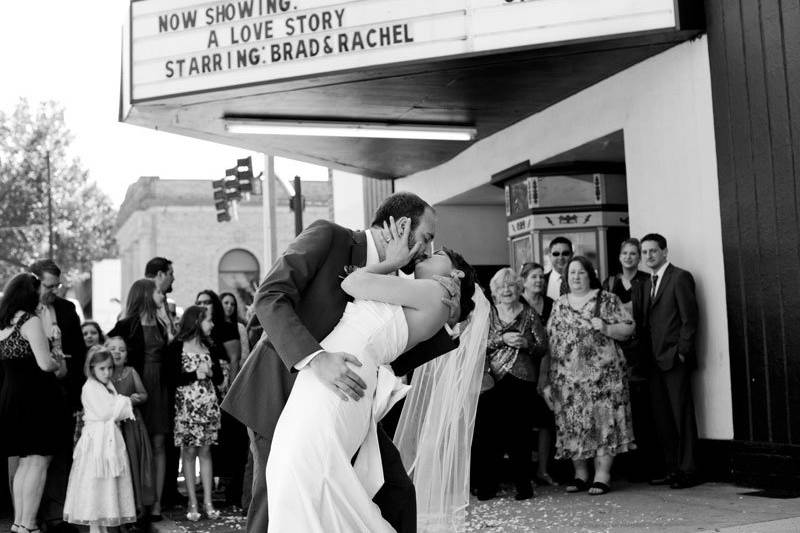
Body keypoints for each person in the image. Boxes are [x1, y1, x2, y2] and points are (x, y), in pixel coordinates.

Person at [222, 192, 461, 533]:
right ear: (403, 225)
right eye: (426, 238)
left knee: (396, 491)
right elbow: (270, 296)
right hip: (281, 390)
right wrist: (316, 359)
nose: (427, 249)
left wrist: (450, 319)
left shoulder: (401, 277)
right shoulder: (329, 236)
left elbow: (391, 344)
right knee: (276, 501)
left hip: (347, 401)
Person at [544, 256, 635, 495]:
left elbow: (629, 327)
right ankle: (580, 474)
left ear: (589, 274)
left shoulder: (606, 299)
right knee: (574, 424)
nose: (575, 277)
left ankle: (602, 475)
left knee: (604, 422)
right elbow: (551, 343)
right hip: (568, 380)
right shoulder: (559, 304)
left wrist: (606, 328)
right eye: (571, 273)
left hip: (604, 377)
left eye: (580, 272)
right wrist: (548, 381)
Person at [472, 268, 546, 501]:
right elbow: (477, 344)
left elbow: (542, 346)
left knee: (520, 435)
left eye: (511, 285)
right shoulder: (488, 314)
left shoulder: (530, 314)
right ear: (494, 291)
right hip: (491, 381)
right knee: (489, 435)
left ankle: (523, 485)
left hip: (522, 381)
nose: (506, 290)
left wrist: (526, 343)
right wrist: (501, 339)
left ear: (519, 288)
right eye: (502, 286)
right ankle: (487, 485)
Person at [0, 273, 65, 533]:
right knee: (37, 462)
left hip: (11, 396)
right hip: (35, 398)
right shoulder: (30, 321)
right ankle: (28, 524)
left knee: (25, 462)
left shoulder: (4, 323)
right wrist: (57, 357)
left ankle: (19, 523)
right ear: (30, 293)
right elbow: (45, 364)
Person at [29, 259, 87, 533]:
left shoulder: (67, 308)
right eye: (48, 286)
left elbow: (79, 351)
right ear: (35, 282)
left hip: (62, 390)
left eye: (57, 285)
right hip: (30, 391)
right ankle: (31, 514)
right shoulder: (19, 311)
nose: (53, 291)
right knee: (33, 456)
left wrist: (77, 394)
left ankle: (57, 514)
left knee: (62, 452)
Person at [640, 233, 700, 489]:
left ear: (665, 252)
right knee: (663, 418)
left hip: (674, 359)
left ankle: (689, 470)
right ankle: (672, 468)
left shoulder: (680, 277)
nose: (648, 256)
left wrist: (682, 352)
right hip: (653, 362)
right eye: (644, 252)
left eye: (653, 251)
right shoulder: (645, 283)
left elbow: (690, 318)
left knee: (681, 416)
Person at [108, 279, 170, 520]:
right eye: (157, 291)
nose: (162, 294)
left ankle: (156, 503)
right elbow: (110, 351)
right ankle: (134, 502)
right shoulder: (125, 325)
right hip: (136, 384)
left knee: (159, 443)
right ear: (145, 294)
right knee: (135, 445)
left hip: (160, 387)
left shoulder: (163, 325)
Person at [603, 239, 662, 482]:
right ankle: (622, 468)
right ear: (619, 256)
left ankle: (646, 466)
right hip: (615, 352)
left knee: (641, 409)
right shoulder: (610, 283)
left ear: (639, 258)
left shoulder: (646, 281)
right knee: (618, 409)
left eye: (634, 253)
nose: (629, 257)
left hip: (640, 353)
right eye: (625, 253)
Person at [63, 348, 136, 533]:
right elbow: (108, 412)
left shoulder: (107, 385)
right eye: (102, 368)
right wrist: (125, 401)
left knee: (107, 488)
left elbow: (114, 410)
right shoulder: (90, 387)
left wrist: (119, 403)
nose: (107, 372)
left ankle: (103, 527)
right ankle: (96, 529)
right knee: (96, 487)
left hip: (108, 441)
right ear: (92, 367)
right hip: (96, 444)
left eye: (110, 368)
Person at [166, 305, 223, 521]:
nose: (212, 324)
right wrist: (192, 374)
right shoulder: (176, 347)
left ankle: (208, 500)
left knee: (206, 451)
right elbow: (170, 378)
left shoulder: (211, 347)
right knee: (188, 453)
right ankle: (192, 501)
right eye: (208, 320)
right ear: (197, 322)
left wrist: (210, 372)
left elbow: (218, 378)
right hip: (186, 409)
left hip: (208, 407)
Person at [196, 290, 246, 508]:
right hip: (208, 389)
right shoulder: (202, 327)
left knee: (232, 440)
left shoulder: (225, 327)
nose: (204, 305)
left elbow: (235, 360)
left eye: (207, 302)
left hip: (227, 388)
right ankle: (213, 489)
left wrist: (231, 393)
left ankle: (232, 492)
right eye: (199, 302)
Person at [107, 336, 155, 521]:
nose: (117, 352)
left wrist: (137, 398)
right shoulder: (104, 374)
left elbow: (144, 394)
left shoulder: (130, 372)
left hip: (131, 426)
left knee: (133, 461)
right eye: (113, 349)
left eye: (122, 349)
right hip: (112, 428)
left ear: (126, 355)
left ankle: (137, 506)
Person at [518, 261, 557, 485]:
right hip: (524, 367)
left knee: (545, 421)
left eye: (542, 277)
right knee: (523, 422)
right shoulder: (518, 304)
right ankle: (525, 471)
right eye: (534, 277)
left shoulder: (551, 304)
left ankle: (544, 469)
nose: (539, 281)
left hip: (549, 366)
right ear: (523, 281)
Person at [220, 292, 250, 363]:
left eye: (232, 304)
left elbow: (245, 355)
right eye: (226, 303)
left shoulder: (240, 327)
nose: (229, 306)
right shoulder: (211, 325)